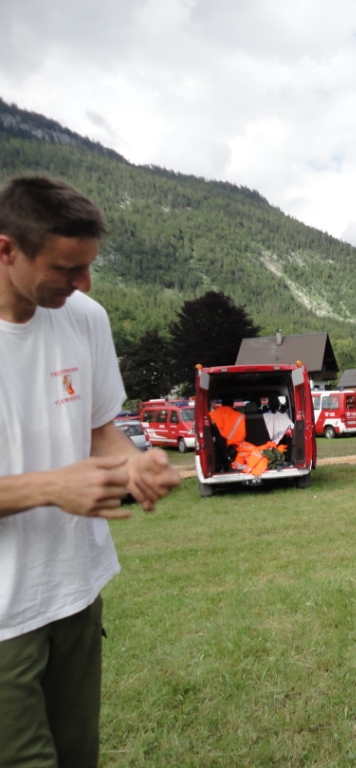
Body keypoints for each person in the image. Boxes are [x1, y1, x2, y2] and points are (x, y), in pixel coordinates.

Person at [0, 175, 180, 767]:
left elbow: (101, 429)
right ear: (6, 250)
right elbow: (59, 479)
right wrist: (51, 487)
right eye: (65, 268)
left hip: (74, 591)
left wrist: (136, 465)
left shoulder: (84, 317)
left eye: (88, 266)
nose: (84, 283)